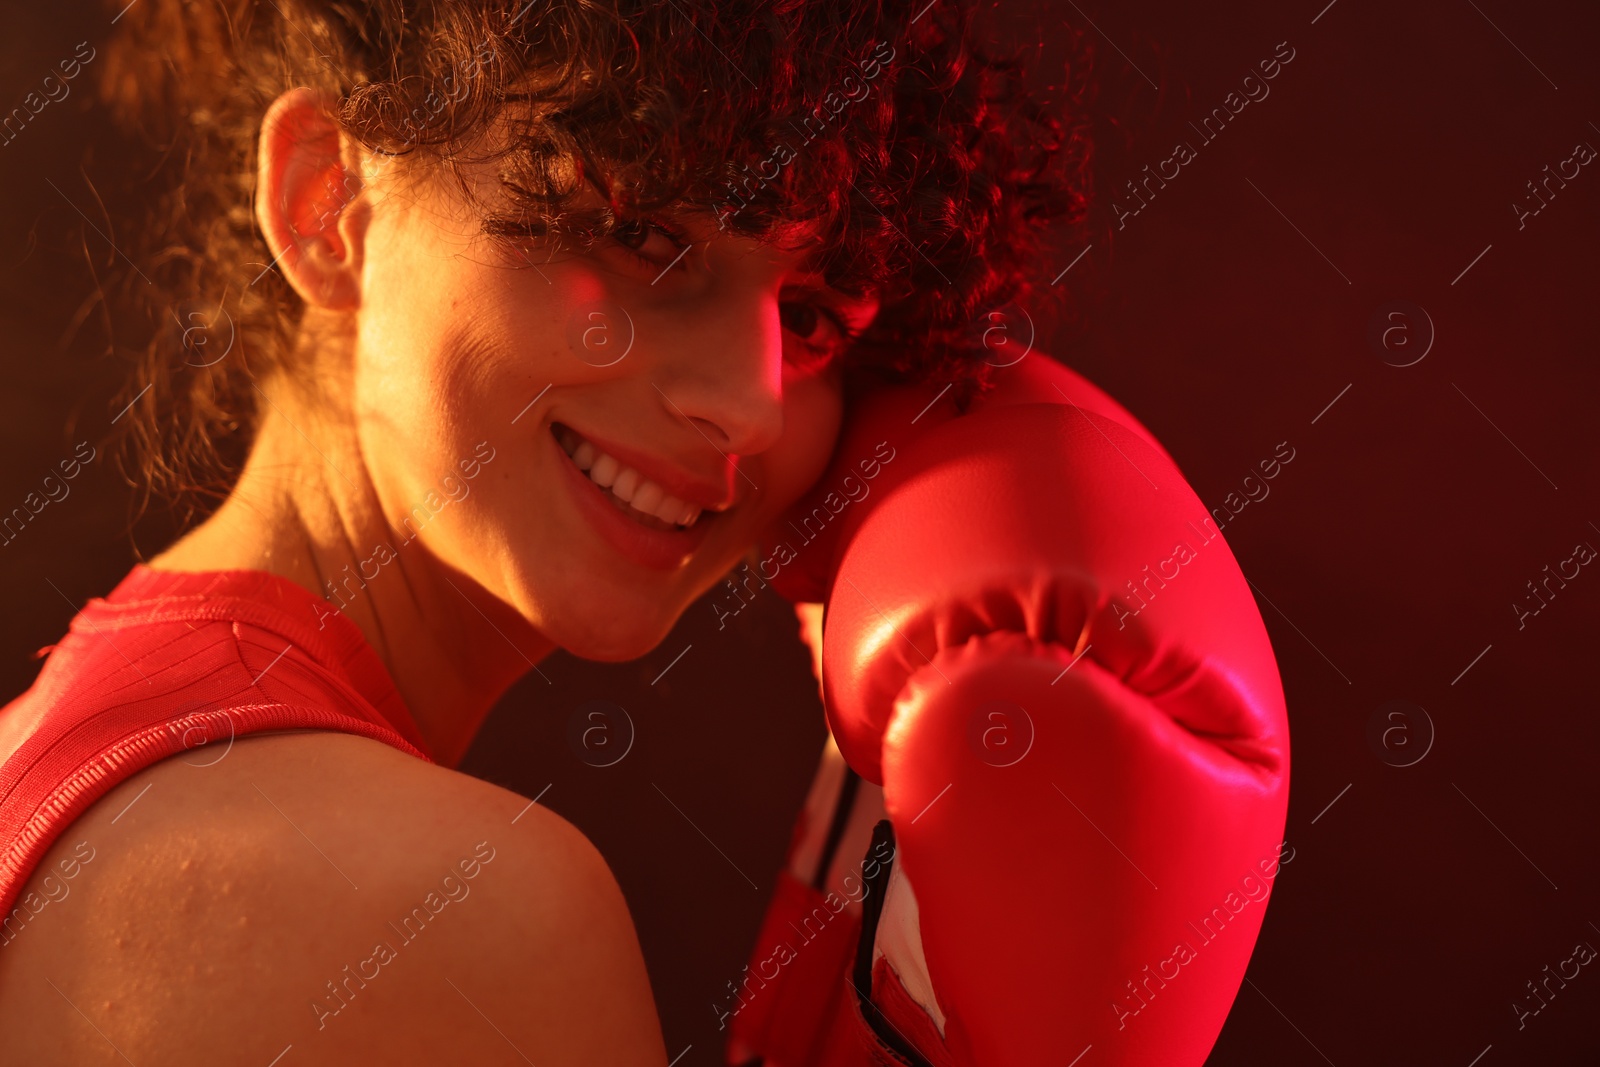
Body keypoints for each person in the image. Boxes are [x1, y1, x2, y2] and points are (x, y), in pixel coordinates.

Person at [0, 1, 1109, 1064]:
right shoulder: (462, 908)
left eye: (811, 315)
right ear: (329, 202)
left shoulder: (58, 744)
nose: (752, 402)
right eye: (645, 237)